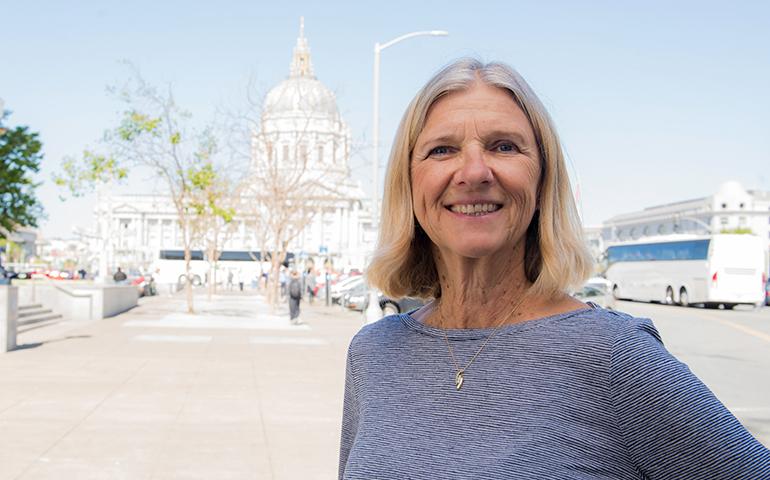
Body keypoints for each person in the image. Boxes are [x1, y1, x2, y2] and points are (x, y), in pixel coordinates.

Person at [338, 58, 770, 479]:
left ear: (543, 181)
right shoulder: (373, 353)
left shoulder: (613, 356)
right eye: (442, 150)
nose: (473, 171)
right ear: (408, 183)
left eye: (504, 146)